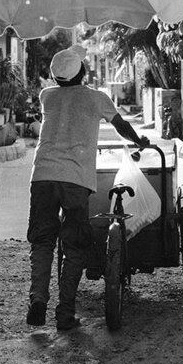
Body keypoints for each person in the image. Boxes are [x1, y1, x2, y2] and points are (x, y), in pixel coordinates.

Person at [26, 44, 149, 331]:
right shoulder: (97, 99)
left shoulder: (47, 96)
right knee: (74, 244)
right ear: (83, 71)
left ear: (56, 78)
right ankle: (65, 313)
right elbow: (121, 126)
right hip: (75, 179)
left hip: (42, 176)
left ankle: (37, 301)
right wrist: (139, 141)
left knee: (42, 242)